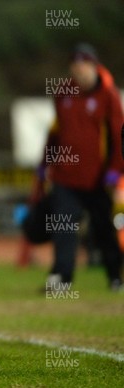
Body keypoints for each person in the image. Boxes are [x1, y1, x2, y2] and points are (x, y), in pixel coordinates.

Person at [40, 43, 124, 292]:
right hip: (66, 176)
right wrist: (46, 162)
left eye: (84, 65)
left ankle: (115, 276)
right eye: (75, 66)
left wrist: (115, 170)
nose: (79, 71)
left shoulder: (107, 95)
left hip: (98, 177)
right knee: (64, 225)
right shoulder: (63, 92)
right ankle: (63, 278)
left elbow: (118, 136)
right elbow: (55, 133)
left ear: (94, 66)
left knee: (103, 227)